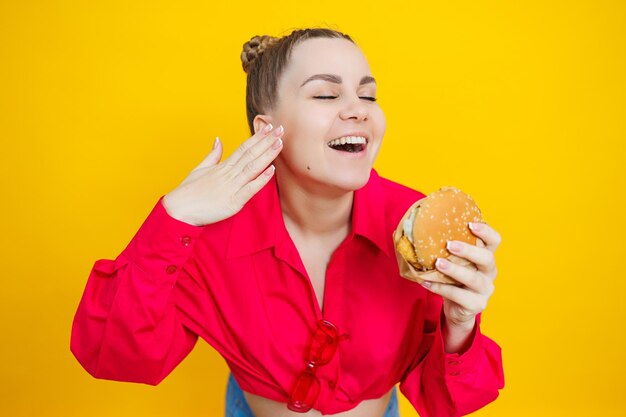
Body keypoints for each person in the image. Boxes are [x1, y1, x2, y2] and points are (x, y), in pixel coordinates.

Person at [70, 28, 504, 417]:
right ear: (266, 130)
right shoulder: (206, 234)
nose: (359, 110)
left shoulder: (417, 229)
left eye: (368, 95)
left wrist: (461, 324)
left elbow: (451, 402)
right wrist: (173, 218)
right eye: (326, 95)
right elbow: (115, 357)